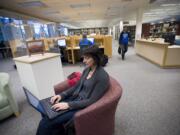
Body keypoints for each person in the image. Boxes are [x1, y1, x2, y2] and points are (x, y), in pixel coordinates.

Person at [36, 46, 110, 135]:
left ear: (95, 58)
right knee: (45, 108)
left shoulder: (102, 77)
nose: (83, 61)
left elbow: (91, 101)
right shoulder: (87, 69)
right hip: (74, 99)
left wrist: (68, 105)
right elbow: (76, 86)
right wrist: (61, 95)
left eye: (87, 58)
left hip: (81, 107)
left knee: (45, 123)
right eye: (84, 58)